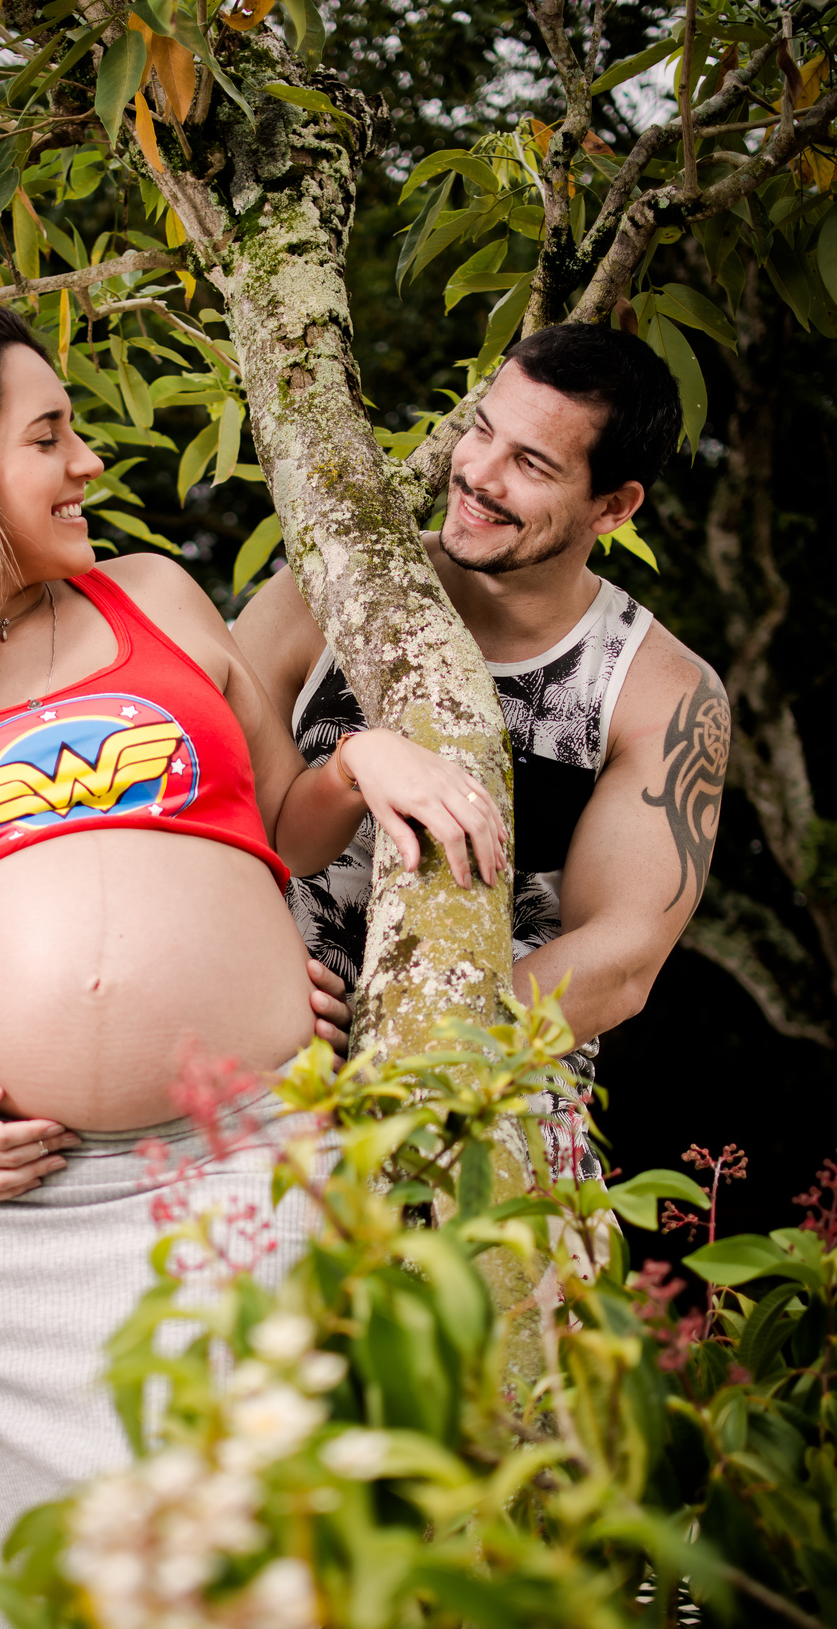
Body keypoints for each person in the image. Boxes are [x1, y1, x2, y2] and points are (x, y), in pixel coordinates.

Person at [0, 303, 507, 1595]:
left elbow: (285, 821)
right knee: (75, 1605)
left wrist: (367, 755)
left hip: (247, 1172)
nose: (87, 464)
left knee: (282, 1590)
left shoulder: (152, 595)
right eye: (48, 437)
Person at [235, 323, 731, 1185]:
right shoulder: (325, 597)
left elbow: (618, 960)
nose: (479, 476)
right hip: (264, 1065)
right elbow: (190, 803)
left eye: (532, 465)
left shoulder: (660, 692)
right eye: (481, 430)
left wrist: (414, 1057)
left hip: (488, 1114)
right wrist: (241, 979)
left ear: (613, 508)